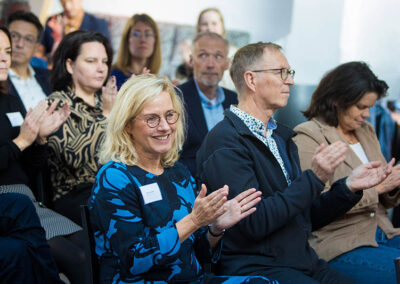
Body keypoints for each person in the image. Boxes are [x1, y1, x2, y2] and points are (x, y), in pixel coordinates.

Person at [196, 42, 393, 283]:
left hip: (301, 261)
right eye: (281, 72)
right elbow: (254, 224)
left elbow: (306, 217)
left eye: (290, 73)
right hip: (258, 269)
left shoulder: (281, 137)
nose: (289, 81)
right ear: (251, 80)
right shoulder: (225, 142)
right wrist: (315, 178)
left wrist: (349, 187)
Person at [88, 74, 277, 283]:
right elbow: (133, 261)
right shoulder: (115, 177)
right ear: (127, 126)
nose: (165, 127)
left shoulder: (177, 172)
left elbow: (199, 253)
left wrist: (215, 228)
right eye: (152, 119)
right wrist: (194, 220)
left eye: (170, 115)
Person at [293, 61, 400, 284]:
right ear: (337, 101)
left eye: (370, 107)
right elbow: (314, 205)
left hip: (381, 232)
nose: (368, 115)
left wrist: (393, 183)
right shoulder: (308, 136)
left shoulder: (365, 131)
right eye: (361, 107)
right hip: (340, 243)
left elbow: (381, 199)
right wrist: (378, 187)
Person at [0, 25, 65, 284]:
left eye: (6, 51)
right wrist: (21, 141)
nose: (6, 57)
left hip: (26, 197)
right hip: (10, 198)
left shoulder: (9, 99)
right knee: (69, 257)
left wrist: (39, 139)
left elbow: (31, 167)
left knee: (83, 245)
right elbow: (15, 148)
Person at [47, 30, 117, 225]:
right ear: (70, 65)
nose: (101, 68)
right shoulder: (57, 104)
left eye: (104, 62)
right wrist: (106, 117)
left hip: (113, 187)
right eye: (91, 61)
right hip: (75, 195)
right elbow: (73, 157)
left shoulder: (107, 101)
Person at [178, 32, 237, 176]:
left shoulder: (236, 101)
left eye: (218, 57)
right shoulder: (175, 98)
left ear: (227, 64)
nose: (210, 64)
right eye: (203, 55)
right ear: (191, 61)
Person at [176, 8, 236, 90]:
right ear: (198, 28)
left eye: (214, 23)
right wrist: (187, 66)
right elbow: (176, 79)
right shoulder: (187, 46)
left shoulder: (234, 53)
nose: (209, 28)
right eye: (205, 24)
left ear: (222, 27)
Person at [39, 0, 110, 65]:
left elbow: (106, 55)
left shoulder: (98, 24)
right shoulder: (52, 22)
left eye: (71, 1)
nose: (67, 6)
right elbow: (40, 54)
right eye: (63, 2)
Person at [7, 11, 51, 114]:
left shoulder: (49, 77)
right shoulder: (2, 77)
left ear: (36, 47)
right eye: (14, 36)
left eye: (28, 39)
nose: (20, 44)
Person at [111, 13, 161, 89]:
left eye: (148, 34)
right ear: (127, 40)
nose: (143, 40)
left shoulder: (157, 80)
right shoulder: (114, 76)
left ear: (155, 40)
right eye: (136, 34)